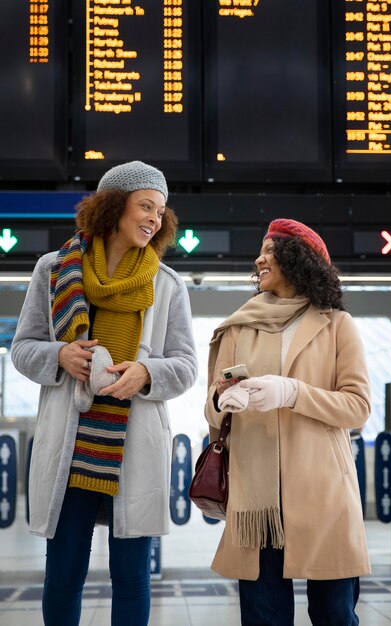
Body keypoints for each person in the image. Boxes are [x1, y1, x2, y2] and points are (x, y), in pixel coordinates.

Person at [11, 160, 198, 626]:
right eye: (146, 206)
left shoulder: (167, 284)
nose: (155, 218)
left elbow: (187, 365)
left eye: (161, 211)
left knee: (132, 577)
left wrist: (146, 373)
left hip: (131, 445)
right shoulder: (54, 271)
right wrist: (59, 356)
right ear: (114, 207)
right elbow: (22, 349)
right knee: (63, 573)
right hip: (70, 450)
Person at [204, 218, 371, 626]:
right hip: (256, 502)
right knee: (264, 617)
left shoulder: (336, 325)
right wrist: (225, 400)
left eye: (269, 251)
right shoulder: (237, 327)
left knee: (334, 614)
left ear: (298, 261)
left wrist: (293, 393)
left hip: (323, 494)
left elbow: (358, 406)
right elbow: (211, 410)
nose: (259, 258)